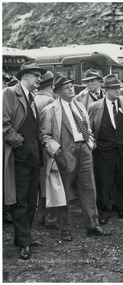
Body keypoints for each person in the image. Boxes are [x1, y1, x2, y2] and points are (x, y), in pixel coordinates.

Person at [40, 74, 109, 242]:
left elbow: (87, 127)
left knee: (89, 188)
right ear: (57, 92)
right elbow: (44, 136)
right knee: (64, 192)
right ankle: (65, 228)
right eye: (66, 87)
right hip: (64, 153)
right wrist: (56, 153)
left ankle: (93, 225)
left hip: (84, 150)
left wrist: (89, 144)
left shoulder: (79, 106)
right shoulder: (50, 110)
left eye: (71, 86)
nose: (71, 88)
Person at [3, 60, 46, 260]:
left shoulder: (32, 98)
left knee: (31, 200)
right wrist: (19, 143)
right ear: (25, 76)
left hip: (34, 157)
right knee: (20, 200)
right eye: (36, 75)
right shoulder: (10, 93)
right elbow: (3, 124)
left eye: (40, 76)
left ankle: (23, 237)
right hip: (19, 157)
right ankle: (24, 242)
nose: (39, 79)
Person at [88, 74, 123, 224]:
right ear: (106, 90)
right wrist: (94, 146)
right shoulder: (95, 107)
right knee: (104, 182)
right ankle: (104, 212)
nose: (118, 90)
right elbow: (89, 130)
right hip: (103, 152)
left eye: (118, 87)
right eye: (114, 88)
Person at [34, 71, 58, 228]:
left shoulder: (35, 98)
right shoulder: (50, 100)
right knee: (50, 183)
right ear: (52, 85)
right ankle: (49, 219)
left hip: (36, 148)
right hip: (47, 148)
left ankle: (40, 217)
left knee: (41, 184)